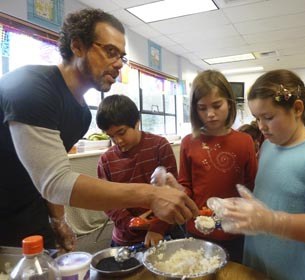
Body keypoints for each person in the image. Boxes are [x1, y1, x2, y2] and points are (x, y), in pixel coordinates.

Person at [0, 8, 198, 250]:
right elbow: (55, 182)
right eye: (110, 51)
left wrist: (58, 220)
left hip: (27, 209)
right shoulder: (31, 87)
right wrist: (150, 194)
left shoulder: (82, 114)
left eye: (122, 57)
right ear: (77, 46)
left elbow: (49, 173)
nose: (118, 65)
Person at [208, 69, 305, 280]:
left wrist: (272, 222)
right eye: (257, 118)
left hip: (291, 267)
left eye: (268, 117)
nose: (261, 127)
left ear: (297, 109)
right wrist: (241, 208)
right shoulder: (267, 147)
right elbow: (270, 199)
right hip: (256, 258)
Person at [178, 70, 258, 262]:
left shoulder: (245, 141)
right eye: (202, 108)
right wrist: (176, 193)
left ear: (229, 104)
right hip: (198, 228)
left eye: (217, 105)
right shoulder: (189, 142)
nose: (210, 114)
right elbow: (185, 184)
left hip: (234, 230)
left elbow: (252, 186)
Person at [96, 94, 179, 247]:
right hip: (125, 237)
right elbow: (106, 201)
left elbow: (173, 191)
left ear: (137, 123)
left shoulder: (159, 146)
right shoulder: (106, 160)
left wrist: (158, 227)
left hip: (162, 232)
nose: (118, 141)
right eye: (111, 136)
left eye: (121, 132)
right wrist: (130, 223)